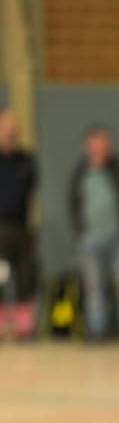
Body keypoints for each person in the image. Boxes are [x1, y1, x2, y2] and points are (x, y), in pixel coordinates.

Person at [66, 123, 119, 339]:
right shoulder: (80, 172)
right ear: (87, 146)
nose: (100, 149)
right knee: (94, 288)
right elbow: (73, 203)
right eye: (96, 145)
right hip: (90, 239)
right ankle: (96, 330)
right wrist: (80, 231)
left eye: (104, 144)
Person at [0, 108, 38, 338]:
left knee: (26, 274)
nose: (10, 130)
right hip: (0, 227)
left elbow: (31, 191)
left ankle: (24, 325)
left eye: (13, 126)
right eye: (5, 126)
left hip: (21, 226)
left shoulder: (26, 160)